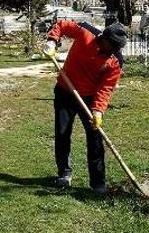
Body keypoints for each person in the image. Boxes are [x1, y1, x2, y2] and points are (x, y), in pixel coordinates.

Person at [42, 20, 127, 194]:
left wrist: (98, 111)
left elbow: (106, 88)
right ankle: (64, 174)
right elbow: (62, 25)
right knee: (62, 133)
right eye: (111, 47)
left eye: (116, 49)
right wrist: (52, 40)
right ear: (104, 38)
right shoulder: (86, 32)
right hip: (65, 91)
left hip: (89, 99)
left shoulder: (115, 61)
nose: (112, 51)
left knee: (95, 138)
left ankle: (98, 183)